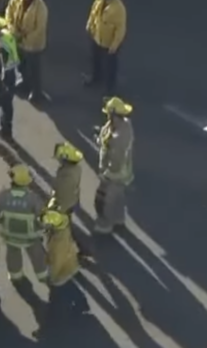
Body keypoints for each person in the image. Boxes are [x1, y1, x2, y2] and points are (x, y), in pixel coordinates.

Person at [0, 165, 48, 283]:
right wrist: (43, 229)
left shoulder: (2, 197)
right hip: (30, 237)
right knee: (37, 255)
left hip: (9, 235)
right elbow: (43, 219)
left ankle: (15, 276)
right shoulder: (34, 199)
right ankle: (42, 276)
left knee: (13, 255)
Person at [93, 96, 134, 236]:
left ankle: (106, 224)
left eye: (109, 115)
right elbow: (106, 135)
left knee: (108, 199)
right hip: (120, 173)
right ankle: (119, 219)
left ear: (115, 115)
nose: (108, 117)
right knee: (119, 196)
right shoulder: (122, 125)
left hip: (115, 173)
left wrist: (107, 173)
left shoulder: (120, 137)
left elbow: (116, 159)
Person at [4, 0, 49, 101]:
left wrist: (24, 37)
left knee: (34, 68)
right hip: (19, 39)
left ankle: (37, 92)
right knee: (22, 65)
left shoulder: (40, 7)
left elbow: (39, 28)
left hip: (33, 44)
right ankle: (25, 84)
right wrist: (13, 30)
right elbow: (9, 13)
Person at [41, 209, 88, 324]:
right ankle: (82, 303)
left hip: (61, 271)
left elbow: (56, 261)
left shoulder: (57, 242)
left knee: (55, 296)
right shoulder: (63, 230)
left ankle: (52, 320)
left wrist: (52, 277)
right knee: (69, 286)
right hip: (70, 264)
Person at [49, 141, 93, 259]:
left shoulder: (65, 174)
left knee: (65, 229)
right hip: (73, 201)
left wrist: (57, 207)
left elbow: (61, 192)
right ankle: (81, 249)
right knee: (67, 227)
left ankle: (79, 250)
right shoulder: (75, 169)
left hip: (65, 204)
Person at [83, 0, 127, 95]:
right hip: (97, 36)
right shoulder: (99, 0)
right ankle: (96, 78)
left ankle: (110, 88)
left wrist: (114, 45)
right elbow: (93, 12)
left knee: (110, 66)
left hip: (109, 42)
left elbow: (120, 29)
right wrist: (89, 25)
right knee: (95, 59)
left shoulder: (118, 9)